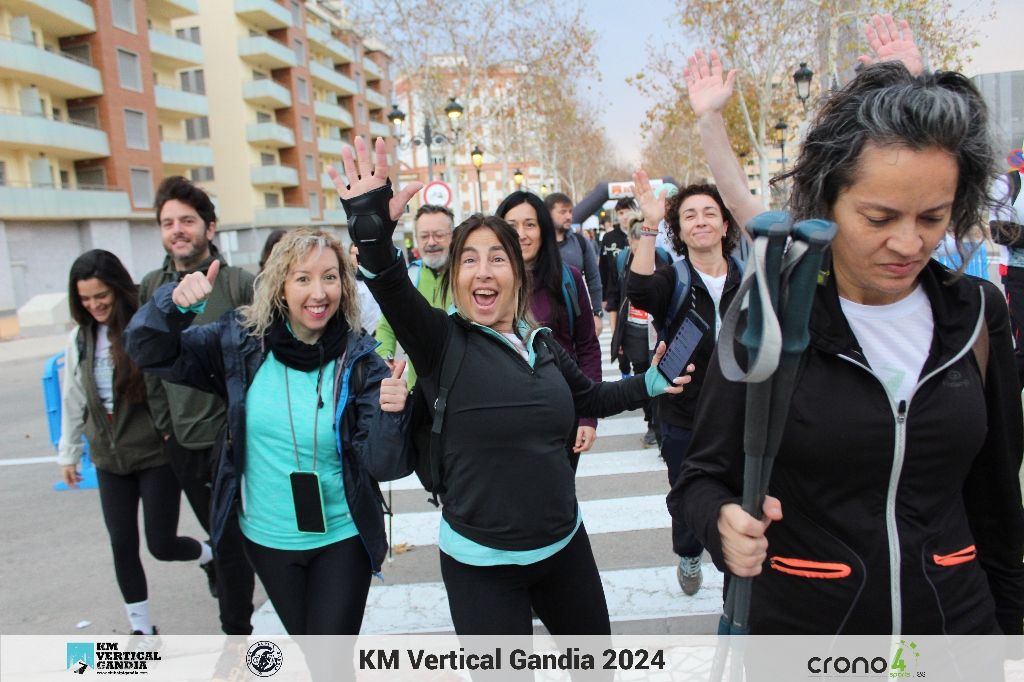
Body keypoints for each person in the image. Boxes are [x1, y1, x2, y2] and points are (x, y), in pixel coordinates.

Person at [670, 29, 1024, 635]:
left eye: (933, 217)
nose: (909, 243)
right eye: (879, 218)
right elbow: (700, 479)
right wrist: (722, 523)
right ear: (827, 202)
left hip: (956, 634)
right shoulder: (774, 309)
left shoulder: (976, 315)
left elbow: (998, 506)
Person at [329, 136, 692, 635]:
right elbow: (390, 284)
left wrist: (653, 381)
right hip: (481, 567)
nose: (483, 270)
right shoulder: (439, 339)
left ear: (516, 275)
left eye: (497, 258)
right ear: (455, 277)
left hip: (565, 547)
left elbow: (591, 397)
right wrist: (371, 229)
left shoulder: (540, 343)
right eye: (469, 259)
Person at [125, 228, 411, 636]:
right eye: (303, 278)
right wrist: (171, 306)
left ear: (344, 286)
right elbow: (147, 351)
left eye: (330, 277)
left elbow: (384, 465)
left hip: (341, 538)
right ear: (279, 286)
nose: (318, 292)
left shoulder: (361, 361)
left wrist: (392, 412)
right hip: (267, 538)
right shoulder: (240, 343)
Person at [58, 250, 211, 636]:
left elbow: (165, 380)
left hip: (153, 454)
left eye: (101, 297)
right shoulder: (79, 338)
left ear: (117, 290)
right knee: (122, 544)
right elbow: (73, 396)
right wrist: (69, 452)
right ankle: (141, 629)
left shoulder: (142, 329)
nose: (95, 305)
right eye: (86, 299)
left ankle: (210, 555)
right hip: (109, 460)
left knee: (161, 544)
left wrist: (168, 432)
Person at [139, 176, 256, 636]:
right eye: (168, 223)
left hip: (233, 440)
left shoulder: (238, 283)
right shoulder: (151, 285)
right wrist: (165, 429)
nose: (177, 230)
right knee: (220, 537)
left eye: (187, 220)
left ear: (210, 227)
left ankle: (237, 634)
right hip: (181, 441)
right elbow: (145, 363)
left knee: (230, 541)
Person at [628, 178, 743, 596]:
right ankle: (689, 551)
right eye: (689, 215)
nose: (700, 222)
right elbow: (637, 290)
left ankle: (736, 578)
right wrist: (649, 224)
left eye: (709, 213)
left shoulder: (749, 280)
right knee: (688, 494)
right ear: (679, 229)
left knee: (742, 497)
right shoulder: (671, 279)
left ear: (725, 225)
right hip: (684, 416)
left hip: (742, 416)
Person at [497, 191, 603, 465]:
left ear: (543, 229)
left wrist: (588, 417)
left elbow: (588, 347)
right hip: (503, 418)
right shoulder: (485, 284)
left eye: (530, 224)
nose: (521, 234)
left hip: (561, 415)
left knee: (559, 502)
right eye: (511, 226)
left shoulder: (569, 278)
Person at [605, 216, 673, 448]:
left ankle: (660, 424)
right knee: (642, 376)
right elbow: (614, 298)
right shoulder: (622, 262)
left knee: (661, 376)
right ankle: (651, 423)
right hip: (633, 330)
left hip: (656, 329)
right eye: (635, 242)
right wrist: (617, 335)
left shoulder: (663, 259)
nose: (639, 246)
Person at [375, 204, 453, 388]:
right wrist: (385, 357)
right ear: (416, 239)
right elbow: (387, 324)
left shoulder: (468, 275)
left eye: (439, 235)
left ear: (453, 236)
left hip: (462, 386)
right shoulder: (407, 278)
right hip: (419, 390)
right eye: (424, 236)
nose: (431, 242)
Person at [546, 192, 604, 335]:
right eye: (563, 212)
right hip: (545, 320)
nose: (569, 216)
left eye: (570, 212)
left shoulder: (580, 242)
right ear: (547, 214)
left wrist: (597, 313)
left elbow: (594, 279)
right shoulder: (537, 245)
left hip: (576, 318)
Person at [599, 198, 636, 374]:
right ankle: (625, 374)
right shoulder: (609, 238)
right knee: (620, 341)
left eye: (628, 211)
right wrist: (604, 298)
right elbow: (603, 268)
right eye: (621, 213)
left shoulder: (645, 233)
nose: (625, 216)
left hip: (640, 296)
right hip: (618, 295)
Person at [348, 243, 381, 334]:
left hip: (377, 333)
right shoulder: (346, 281)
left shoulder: (378, 277)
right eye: (352, 253)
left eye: (358, 253)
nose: (355, 257)